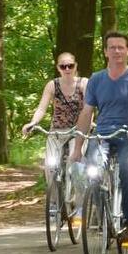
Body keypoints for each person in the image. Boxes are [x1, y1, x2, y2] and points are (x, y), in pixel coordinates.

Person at [70, 32, 128, 247]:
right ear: (105, 51)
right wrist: (78, 147)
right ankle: (102, 216)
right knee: (92, 169)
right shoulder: (97, 79)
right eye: (112, 47)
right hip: (102, 134)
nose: (116, 51)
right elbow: (87, 113)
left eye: (120, 47)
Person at [21, 52, 88, 187]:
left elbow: (89, 108)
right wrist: (33, 123)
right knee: (50, 166)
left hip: (78, 130)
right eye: (63, 66)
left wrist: (88, 123)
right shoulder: (52, 85)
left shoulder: (84, 83)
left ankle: (78, 203)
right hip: (56, 131)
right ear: (58, 68)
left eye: (70, 65)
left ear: (75, 66)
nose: (67, 69)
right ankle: (53, 203)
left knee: (76, 164)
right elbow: (41, 108)